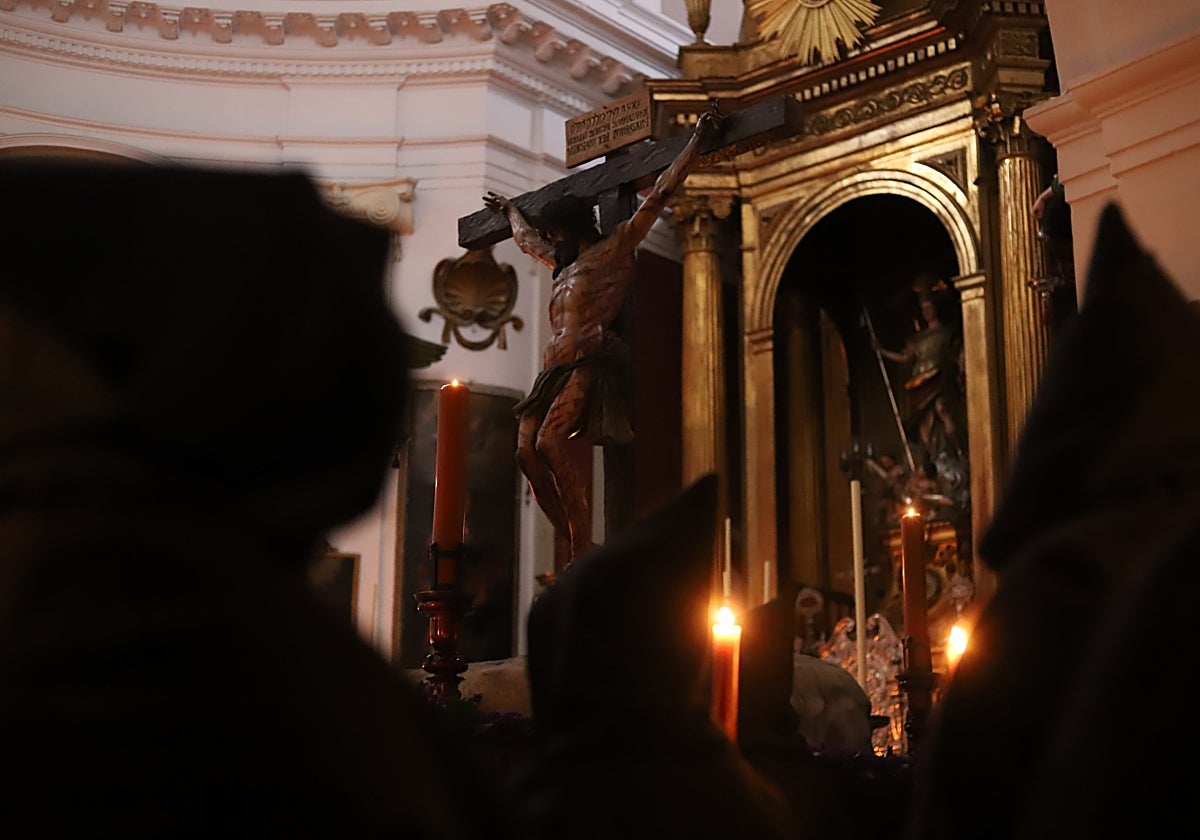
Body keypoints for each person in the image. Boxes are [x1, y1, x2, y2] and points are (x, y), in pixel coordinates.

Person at [483, 102, 726, 563]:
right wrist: (513, 212)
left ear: (576, 231)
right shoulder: (562, 263)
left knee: (551, 444)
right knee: (524, 454)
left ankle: (579, 549)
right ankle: (579, 540)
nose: (551, 243)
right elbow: (527, 241)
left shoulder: (610, 253)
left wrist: (698, 142)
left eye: (557, 235)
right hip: (551, 370)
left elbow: (658, 194)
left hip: (584, 360)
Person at [872, 289, 965, 473]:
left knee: (941, 412)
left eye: (929, 307)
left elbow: (956, 357)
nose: (927, 312)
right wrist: (882, 351)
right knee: (924, 425)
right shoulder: (920, 338)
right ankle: (930, 458)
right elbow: (906, 357)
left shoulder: (946, 334)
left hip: (939, 381)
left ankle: (949, 453)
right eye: (924, 309)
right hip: (919, 386)